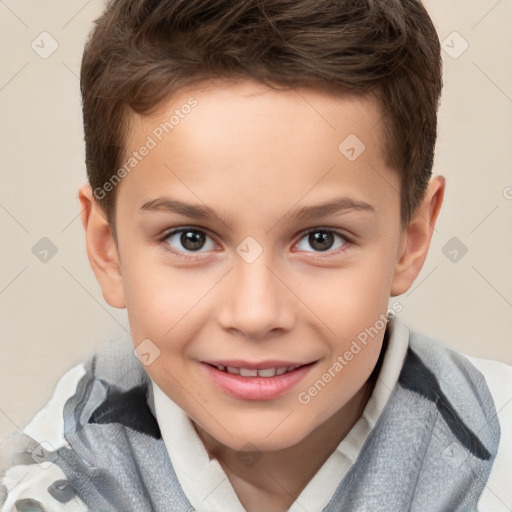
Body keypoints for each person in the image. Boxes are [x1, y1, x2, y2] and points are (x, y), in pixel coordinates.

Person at [1, 0, 510, 510]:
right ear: (106, 249)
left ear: (411, 239)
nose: (256, 313)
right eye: (191, 239)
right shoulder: (48, 487)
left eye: (321, 239)